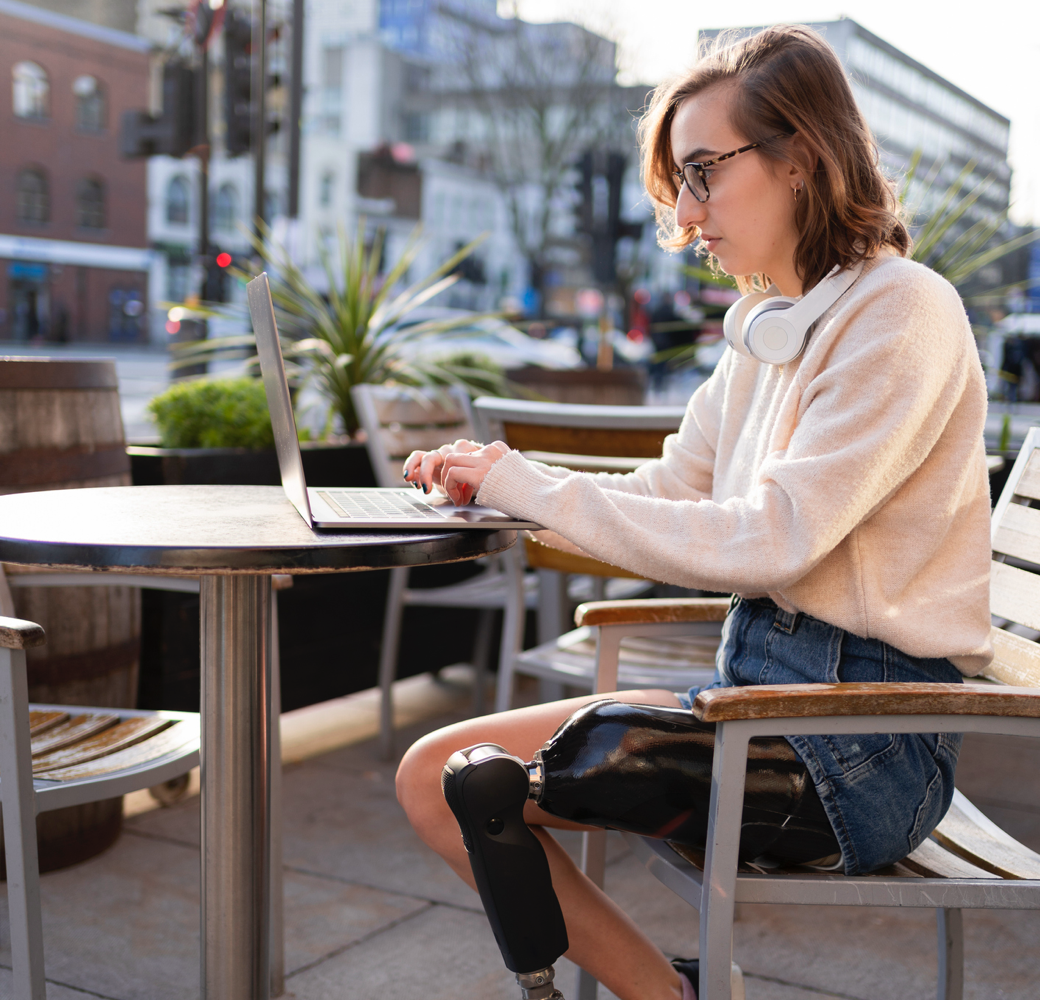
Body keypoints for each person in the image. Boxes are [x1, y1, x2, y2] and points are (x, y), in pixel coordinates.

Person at [395, 24, 992, 1000]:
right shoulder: (765, 331)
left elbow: (770, 536)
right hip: (746, 698)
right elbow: (669, 495)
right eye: (677, 181)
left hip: (863, 741)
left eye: (704, 171)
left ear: (799, 155)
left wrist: (529, 487)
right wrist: (498, 483)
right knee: (434, 773)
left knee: (482, 782)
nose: (685, 210)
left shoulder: (901, 310)